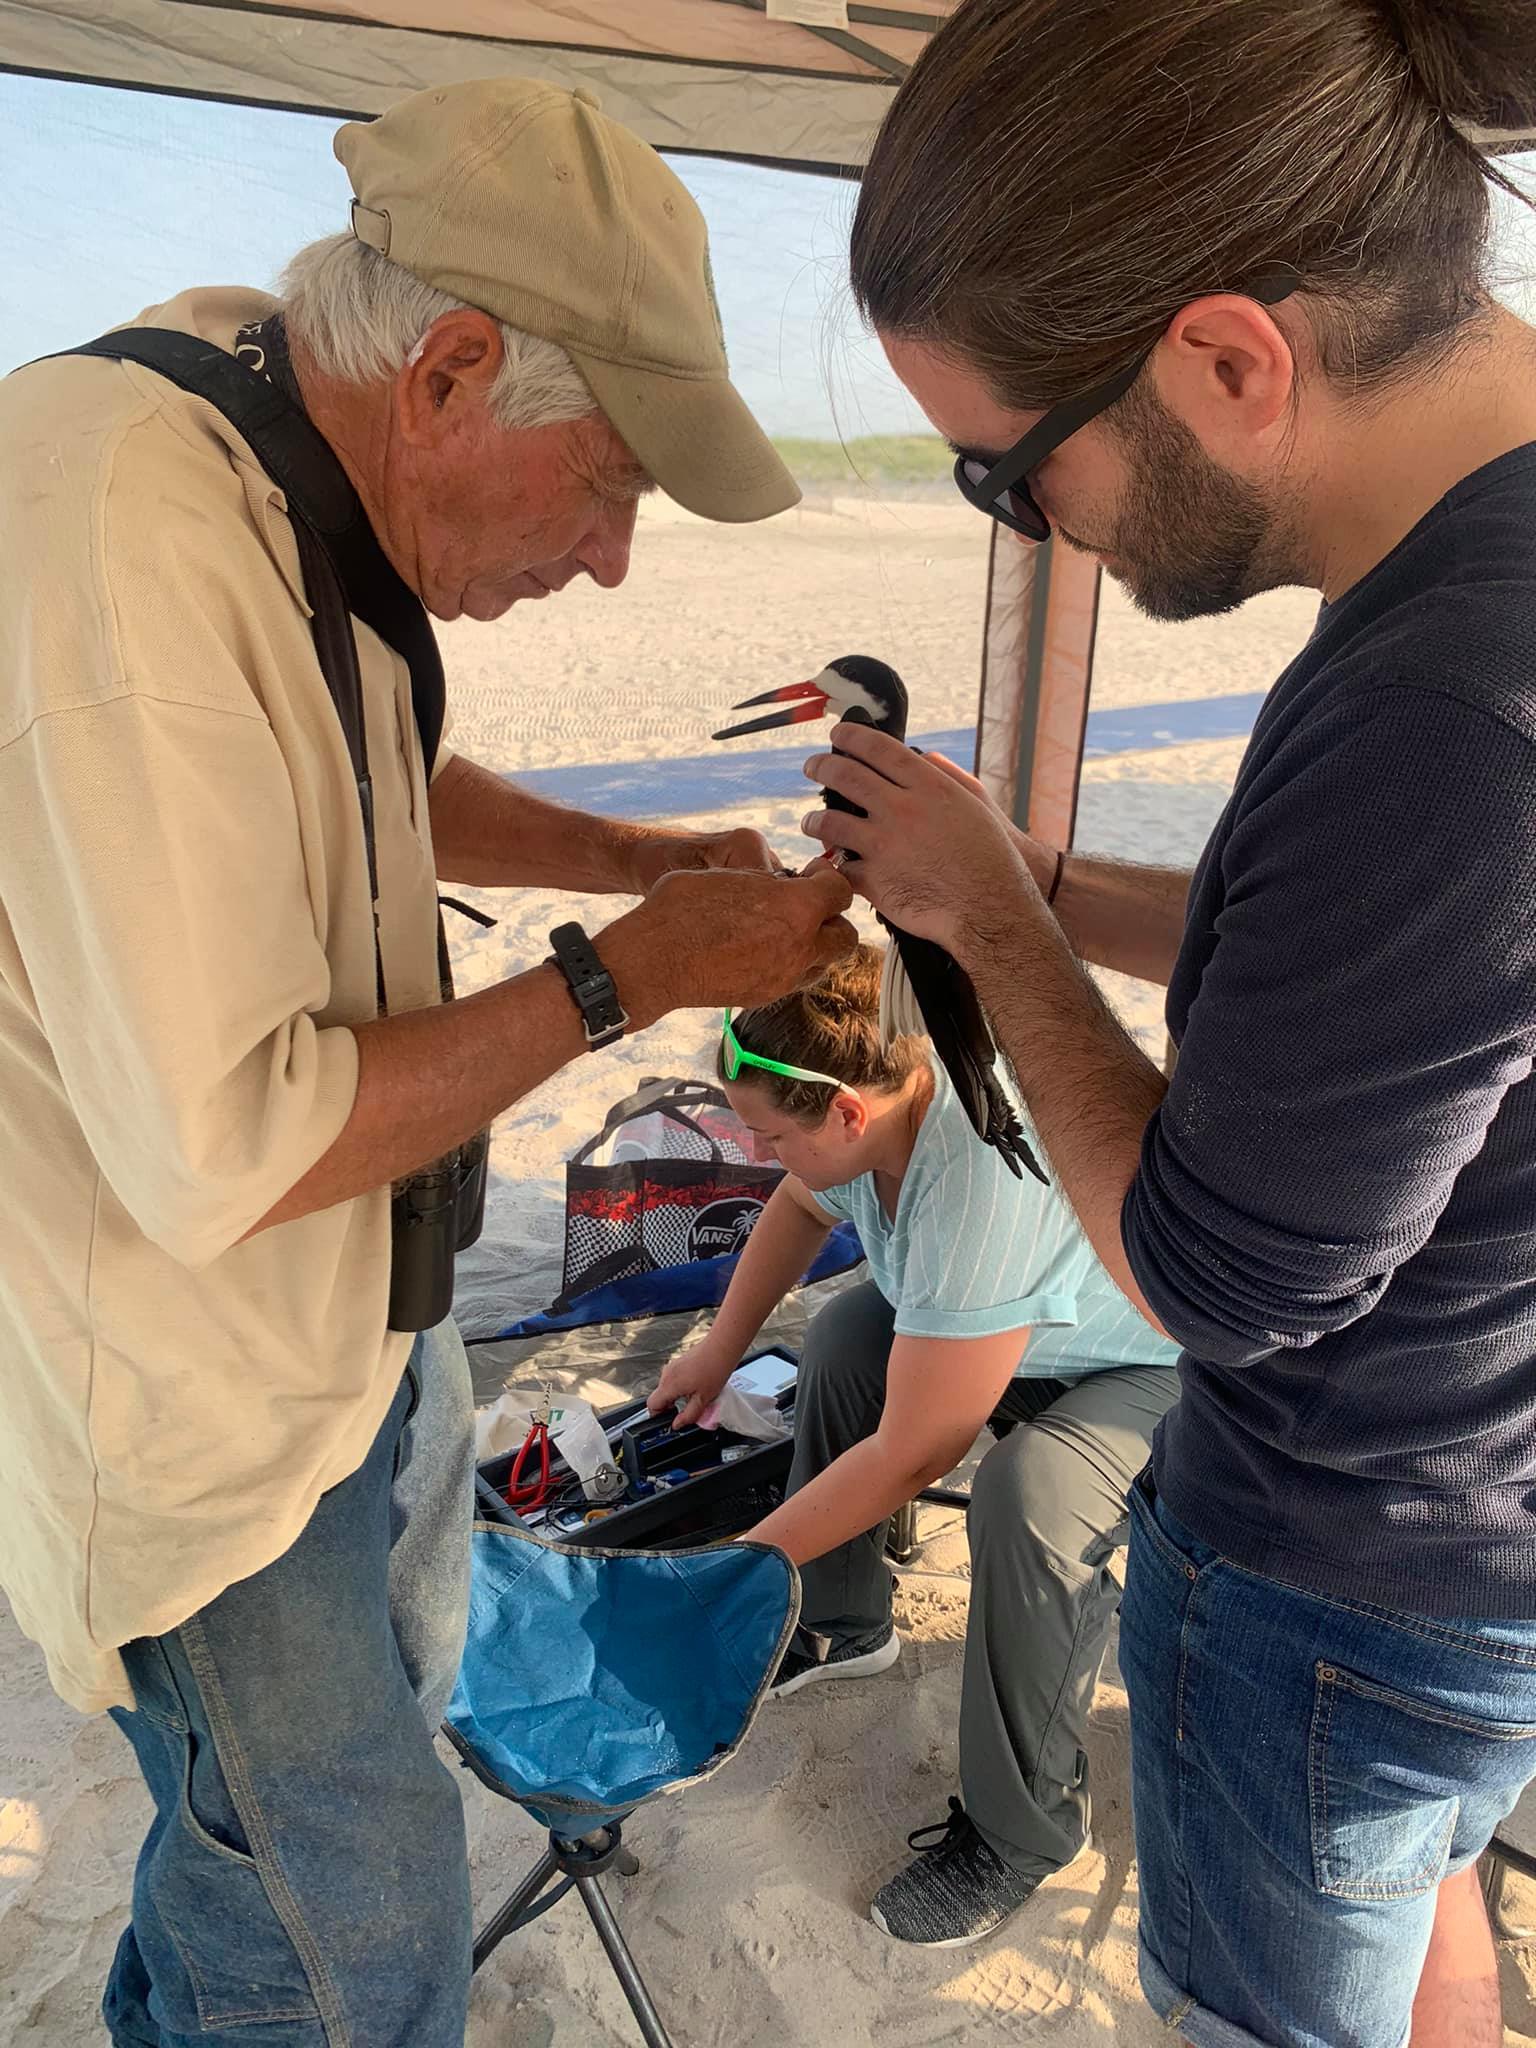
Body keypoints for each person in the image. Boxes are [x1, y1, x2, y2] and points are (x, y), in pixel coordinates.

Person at [0, 75, 855, 2048]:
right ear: (453, 371)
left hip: (356, 1320)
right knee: (354, 1954)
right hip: (207, 1406)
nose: (614, 558)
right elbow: (229, 1143)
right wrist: (626, 970)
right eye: (608, 482)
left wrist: (629, 857)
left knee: (257, 1877)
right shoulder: (124, 536)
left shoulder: (278, 411)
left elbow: (362, 760)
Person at [790, 4, 1536, 2045]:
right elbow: (1365, 983)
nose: (1026, 523)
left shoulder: (1442, 709)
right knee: (1432, 1922)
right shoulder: (1476, 585)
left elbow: (1221, 1276)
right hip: (1484, 1507)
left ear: (1225, 359)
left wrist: (995, 931)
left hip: (1358, 1573)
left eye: (1008, 467)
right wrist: (1028, 877)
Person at [648, 945, 1179, 1945]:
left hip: (1154, 1363)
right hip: (1030, 1328)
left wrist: (730, 1570)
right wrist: (718, 1350)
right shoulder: (884, 1093)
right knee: (850, 1332)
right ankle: (843, 1622)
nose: (759, 1152)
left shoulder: (978, 1175)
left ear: (848, 1116)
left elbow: (915, 1453)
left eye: (769, 1135)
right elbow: (801, 1203)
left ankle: (1022, 1832)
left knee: (1031, 1493)